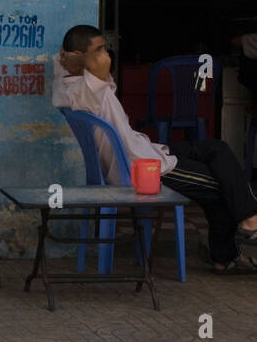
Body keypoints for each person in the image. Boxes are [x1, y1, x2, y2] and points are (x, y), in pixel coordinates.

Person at [52, 24, 257, 272]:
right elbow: (98, 69)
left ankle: (249, 220)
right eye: (99, 49)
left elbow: (65, 60)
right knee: (220, 185)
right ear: (81, 57)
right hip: (141, 167)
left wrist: (79, 59)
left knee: (216, 148)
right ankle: (226, 254)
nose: (105, 54)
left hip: (145, 150)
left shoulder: (65, 83)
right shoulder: (86, 90)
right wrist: (87, 61)